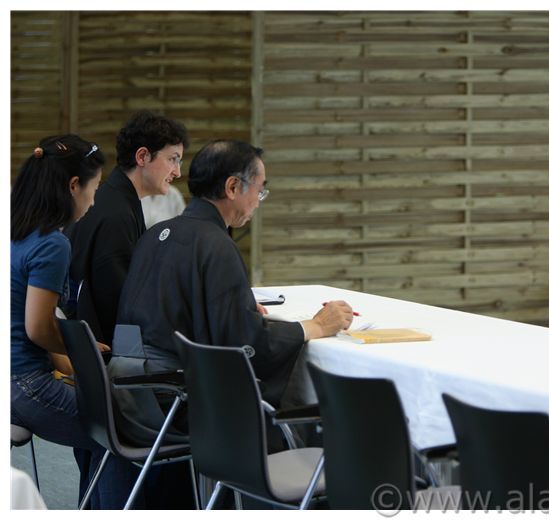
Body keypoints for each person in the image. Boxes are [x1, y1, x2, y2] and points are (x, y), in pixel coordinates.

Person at [111, 139, 353, 446]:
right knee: (311, 423)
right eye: (259, 190)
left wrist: (239, 306)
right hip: (173, 404)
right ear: (233, 187)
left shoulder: (156, 234)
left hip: (128, 394)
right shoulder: (216, 245)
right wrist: (315, 326)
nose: (259, 201)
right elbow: (245, 344)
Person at [10, 135, 121, 508]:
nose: (94, 201)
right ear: (74, 186)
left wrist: (73, 357)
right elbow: (38, 329)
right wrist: (81, 348)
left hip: (11, 379)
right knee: (121, 434)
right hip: (25, 385)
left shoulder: (16, 230)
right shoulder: (52, 243)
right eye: (94, 188)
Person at [66, 110, 189, 345]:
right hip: (101, 350)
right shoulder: (117, 214)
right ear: (142, 156)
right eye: (173, 159)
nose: (178, 172)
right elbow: (120, 303)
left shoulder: (115, 198)